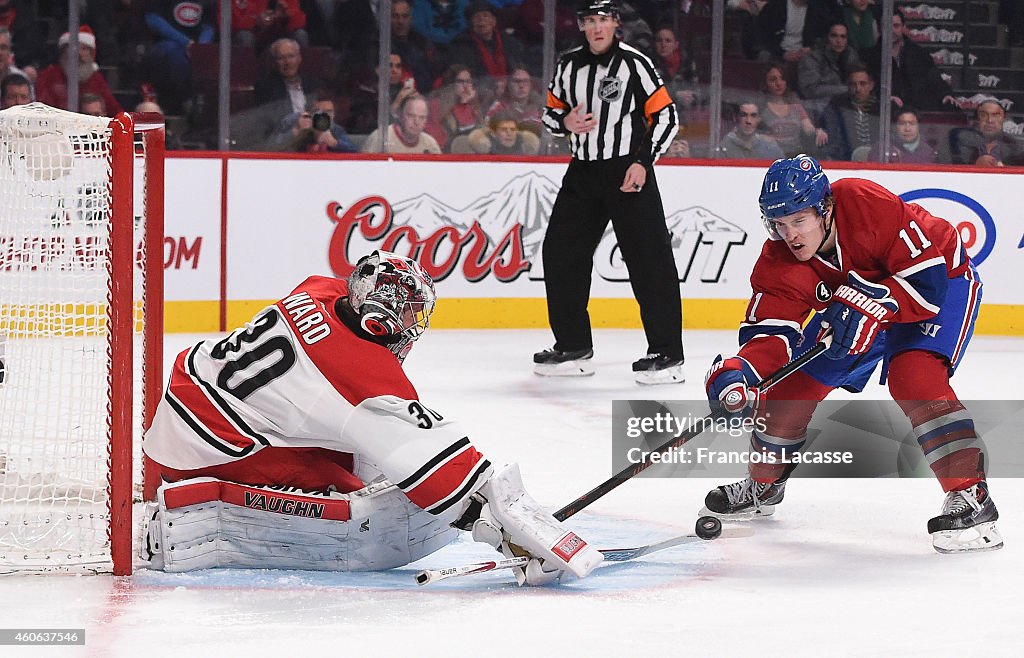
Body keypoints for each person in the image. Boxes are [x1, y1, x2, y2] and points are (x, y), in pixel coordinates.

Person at [141, 250, 604, 583]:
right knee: (357, 491)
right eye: (410, 318)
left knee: (359, 445)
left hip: (189, 403)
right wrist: (517, 537)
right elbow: (448, 473)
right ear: (379, 321)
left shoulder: (317, 291)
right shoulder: (361, 378)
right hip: (201, 452)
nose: (413, 331)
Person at [701, 154, 1002, 554]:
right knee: (790, 387)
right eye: (779, 223)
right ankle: (764, 484)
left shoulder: (863, 201)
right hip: (856, 305)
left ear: (825, 208)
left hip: (939, 283)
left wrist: (875, 303)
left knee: (914, 378)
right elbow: (772, 333)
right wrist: (742, 370)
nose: (789, 234)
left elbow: (927, 284)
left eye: (799, 220)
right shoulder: (779, 257)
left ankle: (971, 497)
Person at [537, 0, 684, 385]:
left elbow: (666, 115)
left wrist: (643, 162)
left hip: (627, 169)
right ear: (582, 25)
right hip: (583, 170)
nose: (597, 27)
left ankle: (667, 353)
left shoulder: (634, 63)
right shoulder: (568, 65)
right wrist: (565, 121)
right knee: (560, 252)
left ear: (616, 23)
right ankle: (572, 346)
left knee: (648, 259)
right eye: (590, 20)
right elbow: (551, 114)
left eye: (604, 20)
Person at [864, 8, 953, 112]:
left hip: (918, 112)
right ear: (879, 29)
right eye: (886, 26)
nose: (891, 30)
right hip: (885, 113)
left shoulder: (920, 54)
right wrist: (882, 99)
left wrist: (946, 95)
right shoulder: (868, 57)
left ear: (904, 28)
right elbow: (865, 87)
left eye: (896, 26)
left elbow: (935, 79)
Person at [144, 0, 216, 114]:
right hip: (164, 44)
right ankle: (183, 102)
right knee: (174, 54)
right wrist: (185, 42)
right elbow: (152, 19)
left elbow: (209, 26)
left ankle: (200, 106)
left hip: (194, 47)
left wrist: (200, 47)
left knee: (211, 58)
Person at [35, 26, 122, 115]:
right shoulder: (48, 76)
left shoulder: (96, 78)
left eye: (84, 49)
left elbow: (114, 109)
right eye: (74, 48)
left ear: (91, 54)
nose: (79, 54)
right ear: (64, 53)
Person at [761, 62, 828, 157]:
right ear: (765, 83)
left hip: (797, 157)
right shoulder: (761, 108)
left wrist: (817, 132)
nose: (779, 83)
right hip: (771, 158)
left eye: (782, 79)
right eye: (773, 80)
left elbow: (808, 129)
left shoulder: (796, 106)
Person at [819, 64, 880, 161]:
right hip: (845, 162)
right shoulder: (837, 106)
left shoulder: (881, 108)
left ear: (871, 85)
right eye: (853, 84)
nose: (858, 89)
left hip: (878, 163)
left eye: (862, 84)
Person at [268, 92, 358, 153]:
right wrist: (296, 131)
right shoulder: (293, 121)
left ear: (334, 114)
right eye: (318, 111)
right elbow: (269, 147)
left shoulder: (335, 129)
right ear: (309, 112)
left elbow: (356, 151)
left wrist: (334, 143)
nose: (323, 116)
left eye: (328, 112)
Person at [796, 21, 860, 105]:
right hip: (817, 106)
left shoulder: (851, 56)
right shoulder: (812, 58)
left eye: (843, 37)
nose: (839, 40)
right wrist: (846, 89)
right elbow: (808, 90)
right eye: (834, 36)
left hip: (845, 104)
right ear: (826, 37)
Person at [425, 64, 485, 151]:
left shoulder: (471, 104)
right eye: (460, 82)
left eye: (468, 81)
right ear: (451, 83)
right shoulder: (436, 104)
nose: (465, 86)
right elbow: (436, 139)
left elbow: (482, 132)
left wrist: (474, 104)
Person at [949, 99, 1024, 167]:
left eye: (995, 116)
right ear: (977, 120)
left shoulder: (1015, 147)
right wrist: (975, 164)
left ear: (1003, 119)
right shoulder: (959, 143)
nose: (990, 120)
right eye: (983, 115)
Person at [361, 93, 442, 153]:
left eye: (422, 117)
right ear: (400, 114)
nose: (416, 122)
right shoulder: (380, 138)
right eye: (411, 115)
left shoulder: (430, 145)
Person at [485, 63, 544, 136]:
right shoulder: (498, 108)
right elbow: (487, 131)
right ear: (509, 85)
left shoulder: (542, 106)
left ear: (531, 84)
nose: (521, 86)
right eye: (516, 81)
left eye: (525, 81)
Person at [228, 0, 309, 52]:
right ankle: (245, 76)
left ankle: (299, 78)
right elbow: (227, 23)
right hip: (252, 35)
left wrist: (286, 16)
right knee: (245, 37)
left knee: (300, 35)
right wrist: (255, 22)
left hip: (278, 34)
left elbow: (301, 21)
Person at [868, 108, 938, 164]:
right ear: (894, 126)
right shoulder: (881, 149)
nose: (907, 129)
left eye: (912, 123)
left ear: (918, 126)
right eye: (902, 123)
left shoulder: (929, 152)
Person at [720, 100, 785, 159]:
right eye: (744, 115)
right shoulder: (725, 145)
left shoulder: (769, 146)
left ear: (759, 119)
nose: (748, 121)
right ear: (736, 117)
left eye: (753, 116)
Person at [466, 111, 540, 154]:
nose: (509, 133)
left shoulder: (523, 149)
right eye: (504, 129)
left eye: (513, 129)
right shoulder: (483, 154)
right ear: (493, 133)